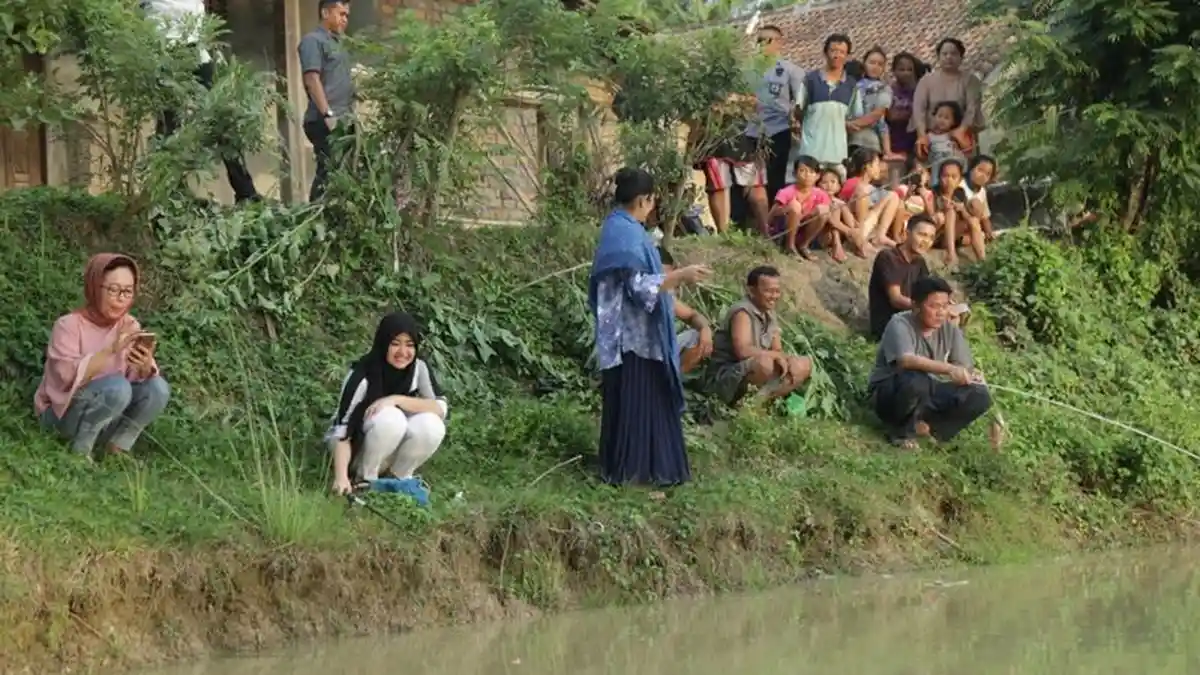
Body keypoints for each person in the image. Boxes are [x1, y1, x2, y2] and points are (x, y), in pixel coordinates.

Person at [590, 168, 711, 487]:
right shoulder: (627, 234)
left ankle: (627, 470)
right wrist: (681, 275)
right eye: (652, 199)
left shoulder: (617, 228)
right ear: (644, 199)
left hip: (625, 335)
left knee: (636, 402)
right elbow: (640, 287)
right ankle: (638, 474)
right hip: (634, 338)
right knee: (642, 403)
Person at [34, 254, 171, 461]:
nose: (121, 298)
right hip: (62, 416)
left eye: (127, 291)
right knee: (117, 387)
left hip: (107, 414)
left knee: (157, 387)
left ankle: (117, 446)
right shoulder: (68, 326)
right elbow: (65, 379)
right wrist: (111, 350)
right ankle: (80, 451)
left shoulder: (129, 325)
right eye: (114, 290)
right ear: (95, 287)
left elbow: (138, 379)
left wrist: (143, 366)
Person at [141, 0, 261, 203]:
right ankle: (164, 192)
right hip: (167, 51)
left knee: (221, 115)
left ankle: (246, 192)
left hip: (196, 52)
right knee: (170, 123)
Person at [327, 312, 448, 503]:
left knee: (433, 424)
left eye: (409, 345)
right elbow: (341, 431)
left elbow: (440, 407)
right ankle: (365, 480)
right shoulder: (361, 374)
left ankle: (398, 480)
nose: (402, 352)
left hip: (393, 448)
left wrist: (395, 399)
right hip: (358, 448)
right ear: (383, 344)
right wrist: (341, 477)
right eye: (395, 344)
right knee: (391, 418)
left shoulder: (419, 368)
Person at [867, 276, 992, 449]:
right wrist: (949, 369)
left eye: (945, 305)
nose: (941, 312)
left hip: (927, 391)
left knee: (979, 395)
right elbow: (906, 360)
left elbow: (963, 365)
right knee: (916, 380)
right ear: (916, 306)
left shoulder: (949, 329)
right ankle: (900, 433)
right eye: (934, 306)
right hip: (891, 392)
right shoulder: (899, 323)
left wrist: (968, 375)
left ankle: (931, 430)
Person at [703, 266, 812, 406]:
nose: (774, 296)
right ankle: (739, 404)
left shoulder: (770, 314)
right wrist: (776, 356)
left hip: (754, 369)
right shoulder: (742, 313)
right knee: (765, 363)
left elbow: (777, 349)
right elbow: (742, 351)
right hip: (727, 374)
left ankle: (760, 404)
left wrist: (785, 359)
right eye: (768, 291)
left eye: (777, 291)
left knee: (803, 365)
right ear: (752, 290)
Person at [742, 24, 806, 205]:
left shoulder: (790, 70)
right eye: (760, 41)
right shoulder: (747, 71)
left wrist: (796, 120)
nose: (763, 45)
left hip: (778, 130)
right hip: (751, 132)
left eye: (768, 40)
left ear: (779, 42)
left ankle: (776, 219)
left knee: (776, 178)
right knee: (751, 180)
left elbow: (802, 100)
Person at [299, 0, 355, 202]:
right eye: (341, 14)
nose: (345, 20)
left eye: (347, 15)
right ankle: (313, 220)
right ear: (325, 12)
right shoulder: (312, 41)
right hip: (325, 120)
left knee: (341, 174)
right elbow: (312, 79)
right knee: (328, 171)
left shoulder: (340, 43)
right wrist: (328, 114)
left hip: (345, 119)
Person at [790, 34, 863, 178]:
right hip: (811, 152)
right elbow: (798, 110)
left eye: (842, 52)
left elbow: (856, 117)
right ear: (825, 53)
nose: (837, 55)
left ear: (847, 56)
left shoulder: (851, 85)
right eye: (833, 50)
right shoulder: (810, 80)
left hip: (838, 154)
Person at [913, 38, 985, 159]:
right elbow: (918, 109)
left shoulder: (970, 80)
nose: (949, 57)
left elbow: (972, 108)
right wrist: (922, 136)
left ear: (961, 57)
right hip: (933, 138)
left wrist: (960, 132)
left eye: (953, 53)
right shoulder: (926, 81)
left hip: (962, 138)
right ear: (938, 56)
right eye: (944, 54)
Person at [867, 214, 935, 340]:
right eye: (922, 235)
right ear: (907, 233)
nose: (926, 241)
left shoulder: (920, 262)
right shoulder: (888, 257)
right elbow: (896, 299)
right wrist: (927, 308)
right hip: (890, 326)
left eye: (931, 238)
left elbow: (928, 294)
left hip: (911, 319)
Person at [658, 247, 715, 374]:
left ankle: (675, 380)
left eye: (668, 274)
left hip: (663, 351)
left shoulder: (668, 298)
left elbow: (692, 315)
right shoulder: (643, 292)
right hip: (640, 354)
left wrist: (705, 328)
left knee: (697, 336)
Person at [769, 156, 831, 259]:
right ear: (794, 174)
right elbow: (771, 216)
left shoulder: (821, 194)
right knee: (795, 206)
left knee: (823, 210)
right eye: (802, 171)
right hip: (783, 231)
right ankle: (789, 246)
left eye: (811, 172)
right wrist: (788, 209)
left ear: (817, 176)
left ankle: (804, 245)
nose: (807, 175)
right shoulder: (787, 192)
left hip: (804, 231)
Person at [839, 147, 904, 246]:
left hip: (869, 225)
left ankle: (882, 236)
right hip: (857, 228)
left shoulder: (869, 187)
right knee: (889, 195)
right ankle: (870, 237)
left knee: (894, 197)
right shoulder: (854, 184)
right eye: (877, 164)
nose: (879, 168)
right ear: (868, 167)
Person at [848, 47, 894, 157]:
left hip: (870, 140)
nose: (875, 67)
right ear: (864, 64)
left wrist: (852, 124)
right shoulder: (853, 86)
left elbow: (878, 115)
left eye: (880, 64)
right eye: (872, 62)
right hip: (849, 139)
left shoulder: (884, 89)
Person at [885, 52, 925, 160]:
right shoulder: (889, 91)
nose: (906, 73)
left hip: (915, 144)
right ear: (894, 71)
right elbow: (890, 115)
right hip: (895, 144)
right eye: (901, 69)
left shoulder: (919, 91)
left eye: (909, 70)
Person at [964, 155, 998, 243]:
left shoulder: (982, 191)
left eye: (988, 174)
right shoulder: (961, 185)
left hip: (973, 228)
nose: (983, 176)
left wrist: (989, 233)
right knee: (975, 204)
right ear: (971, 168)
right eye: (980, 170)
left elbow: (985, 217)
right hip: (960, 226)